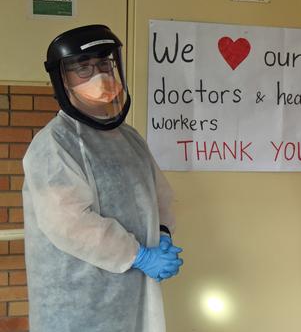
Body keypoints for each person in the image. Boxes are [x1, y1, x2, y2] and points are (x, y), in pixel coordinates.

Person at [22, 25, 184, 332]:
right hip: (78, 297)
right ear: (62, 80)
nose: (99, 76)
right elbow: (69, 223)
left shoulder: (128, 138)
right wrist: (138, 254)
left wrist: (162, 234)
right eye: (83, 69)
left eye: (105, 65)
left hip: (131, 287)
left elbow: (158, 194)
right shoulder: (54, 144)